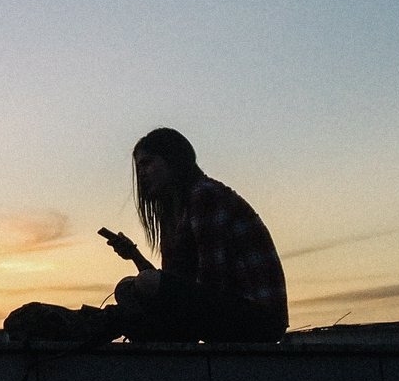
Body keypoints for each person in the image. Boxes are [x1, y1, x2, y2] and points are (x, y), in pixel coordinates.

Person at [97, 127, 288, 342]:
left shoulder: (205, 195)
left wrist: (157, 301)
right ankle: (108, 325)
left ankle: (97, 325)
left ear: (172, 160)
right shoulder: (176, 213)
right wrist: (135, 256)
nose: (141, 173)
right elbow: (175, 284)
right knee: (126, 288)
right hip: (223, 310)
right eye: (139, 166)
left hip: (258, 319)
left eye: (147, 163)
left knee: (143, 287)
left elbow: (211, 284)